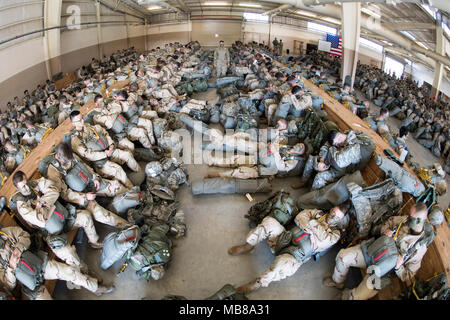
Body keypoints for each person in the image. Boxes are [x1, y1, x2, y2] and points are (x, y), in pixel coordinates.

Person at [229, 202, 350, 294]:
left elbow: (324, 241)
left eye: (336, 217)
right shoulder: (318, 213)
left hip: (295, 255)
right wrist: (314, 232)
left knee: (282, 264)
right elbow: (299, 217)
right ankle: (248, 246)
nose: (331, 216)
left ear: (340, 220)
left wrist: (311, 223)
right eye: (332, 212)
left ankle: (257, 283)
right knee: (269, 222)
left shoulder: (335, 234)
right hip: (285, 237)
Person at [323, 203, 434, 300]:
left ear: (418, 220)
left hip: (383, 273)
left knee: (356, 297)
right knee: (342, 256)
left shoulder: (419, 249)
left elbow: (407, 275)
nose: (407, 218)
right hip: (372, 251)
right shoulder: (404, 221)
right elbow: (389, 222)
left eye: (410, 217)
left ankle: (346, 296)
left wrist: (399, 267)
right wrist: (385, 231)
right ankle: (338, 282)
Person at [0, 225, 114, 300]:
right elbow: (8, 285)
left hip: (37, 262)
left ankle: (94, 288)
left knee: (69, 271)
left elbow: (24, 235)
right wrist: (11, 267)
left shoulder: (5, 234)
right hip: (26, 283)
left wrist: (18, 249)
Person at [69, 110, 138, 189]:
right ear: (73, 123)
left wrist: (111, 144)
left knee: (127, 154)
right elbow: (88, 155)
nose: (83, 121)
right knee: (118, 169)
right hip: (100, 162)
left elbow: (104, 132)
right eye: (79, 120)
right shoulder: (75, 139)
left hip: (108, 150)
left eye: (82, 118)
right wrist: (105, 154)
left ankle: (139, 173)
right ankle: (132, 190)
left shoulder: (88, 126)